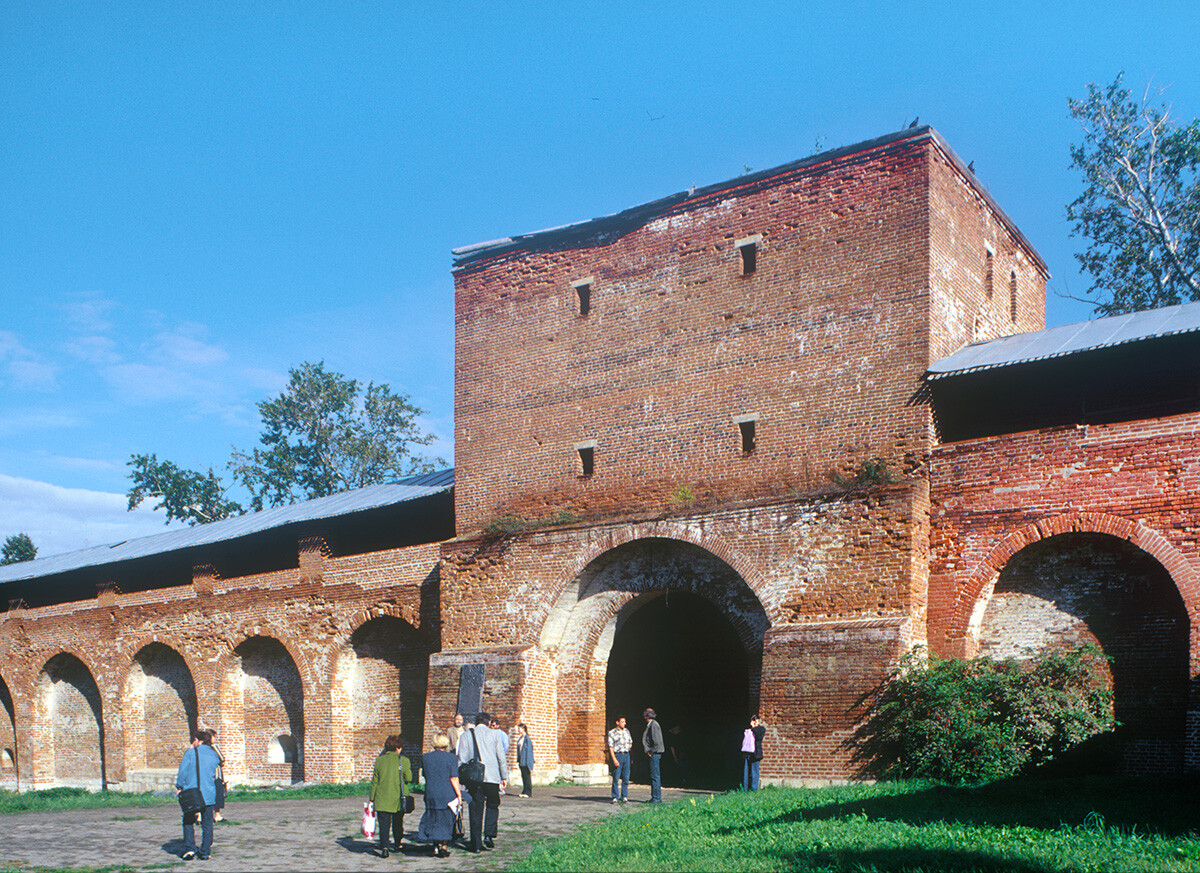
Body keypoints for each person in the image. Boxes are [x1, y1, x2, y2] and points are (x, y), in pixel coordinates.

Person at [457, 711, 508, 852]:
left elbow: (461, 758)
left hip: (474, 778)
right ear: (488, 722)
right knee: (493, 804)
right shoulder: (495, 734)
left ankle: (476, 844)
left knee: (475, 809)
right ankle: (489, 835)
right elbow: (501, 757)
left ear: (476, 721)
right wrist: (504, 777)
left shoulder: (466, 735)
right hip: (492, 777)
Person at [175, 729, 222, 861]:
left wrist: (179, 786)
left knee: (188, 821)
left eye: (194, 740)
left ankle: (190, 849)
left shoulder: (191, 752)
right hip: (209, 794)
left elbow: (182, 771)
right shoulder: (214, 754)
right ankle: (205, 851)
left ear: (198, 740)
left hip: (192, 793)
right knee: (207, 823)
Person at [417, 732, 464, 858]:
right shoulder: (451, 758)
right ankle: (444, 846)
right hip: (446, 792)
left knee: (433, 817)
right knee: (446, 819)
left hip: (431, 791)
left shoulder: (425, 757)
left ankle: (435, 845)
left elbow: (425, 775)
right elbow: (453, 778)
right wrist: (459, 795)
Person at [369, 734, 413, 858]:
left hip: (382, 797)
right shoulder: (404, 760)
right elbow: (408, 778)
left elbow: (375, 782)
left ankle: (384, 848)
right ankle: (398, 844)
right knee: (398, 822)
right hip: (398, 798)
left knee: (384, 825)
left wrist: (372, 798)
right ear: (398, 748)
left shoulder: (379, 760)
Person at [200, 730, 227, 822]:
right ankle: (217, 815)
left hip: (205, 776)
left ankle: (201, 816)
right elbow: (221, 759)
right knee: (218, 794)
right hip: (216, 775)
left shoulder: (200, 749)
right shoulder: (214, 747)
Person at [606, 715, 632, 804]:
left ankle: (624, 796)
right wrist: (614, 759)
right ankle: (615, 796)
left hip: (626, 755)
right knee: (616, 777)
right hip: (618, 755)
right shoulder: (612, 733)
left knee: (626, 777)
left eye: (625, 722)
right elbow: (610, 747)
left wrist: (628, 748)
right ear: (617, 722)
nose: (624, 723)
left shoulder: (627, 731)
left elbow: (630, 742)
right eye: (622, 722)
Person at [642, 708, 664, 804]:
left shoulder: (654, 725)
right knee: (655, 775)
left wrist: (651, 751)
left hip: (655, 754)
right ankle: (655, 797)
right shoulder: (651, 725)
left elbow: (656, 741)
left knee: (655, 776)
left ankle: (656, 798)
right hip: (654, 753)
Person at [742, 715, 766, 791]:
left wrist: (755, 727)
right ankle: (745, 789)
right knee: (746, 772)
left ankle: (754, 789)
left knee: (754, 772)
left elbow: (759, 737)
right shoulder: (747, 730)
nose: (755, 721)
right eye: (753, 719)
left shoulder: (761, 729)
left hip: (755, 754)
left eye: (756, 720)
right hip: (747, 753)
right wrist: (751, 726)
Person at [515, 723, 534, 797]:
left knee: (527, 776)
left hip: (526, 760)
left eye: (519, 728)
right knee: (523, 776)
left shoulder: (527, 739)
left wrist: (529, 762)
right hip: (521, 760)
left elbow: (529, 751)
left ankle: (528, 792)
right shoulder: (520, 738)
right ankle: (524, 790)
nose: (518, 730)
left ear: (523, 729)